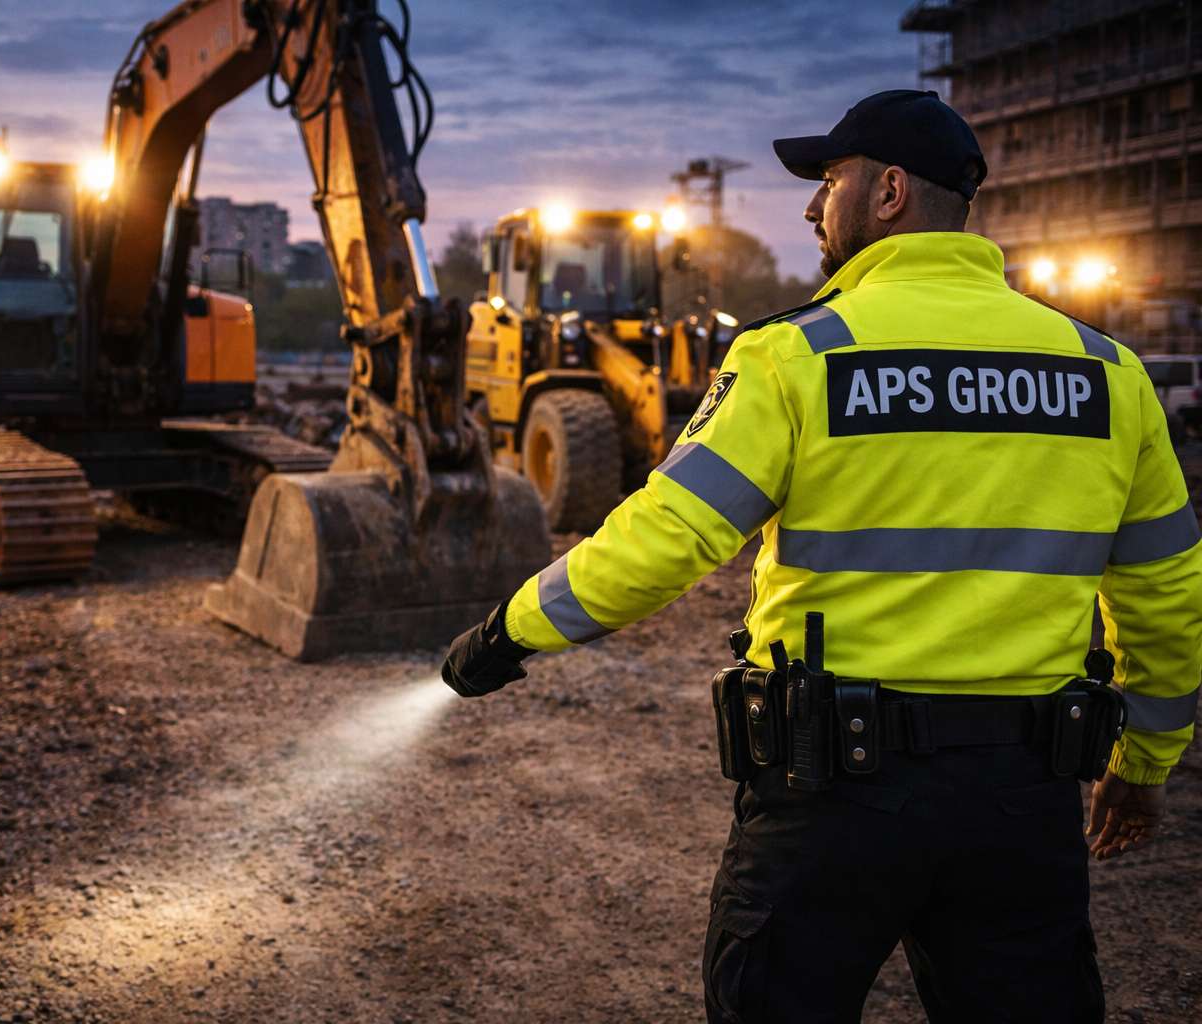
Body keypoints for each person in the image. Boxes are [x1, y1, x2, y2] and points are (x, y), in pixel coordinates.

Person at [441, 89, 1202, 1023]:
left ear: (886, 193)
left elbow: (661, 541)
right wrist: (1145, 763)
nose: (810, 207)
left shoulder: (795, 358)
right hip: (1023, 800)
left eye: (827, 181)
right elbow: (1168, 594)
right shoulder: (1108, 374)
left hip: (831, 795)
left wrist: (509, 632)